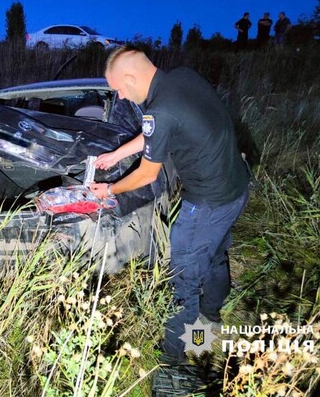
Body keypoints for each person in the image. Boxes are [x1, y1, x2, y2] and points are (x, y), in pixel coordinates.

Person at [89, 45, 250, 393]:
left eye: (118, 88)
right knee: (214, 255)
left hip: (207, 203)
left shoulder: (159, 111)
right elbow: (159, 132)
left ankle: (176, 361)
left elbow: (147, 174)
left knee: (183, 280)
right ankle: (211, 318)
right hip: (235, 187)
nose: (119, 96)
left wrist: (110, 190)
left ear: (131, 78)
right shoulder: (180, 77)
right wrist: (117, 153)